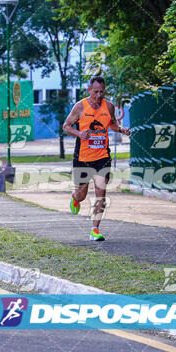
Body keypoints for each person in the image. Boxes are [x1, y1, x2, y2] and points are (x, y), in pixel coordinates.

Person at [63, 76, 130, 241]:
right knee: (82, 194)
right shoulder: (80, 106)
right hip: (83, 157)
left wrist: (121, 130)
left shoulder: (109, 106)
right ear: (89, 90)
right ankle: (75, 198)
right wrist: (79, 133)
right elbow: (66, 126)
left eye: (102, 92)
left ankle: (95, 229)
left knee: (101, 191)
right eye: (96, 92)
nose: (99, 95)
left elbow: (112, 124)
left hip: (102, 157)